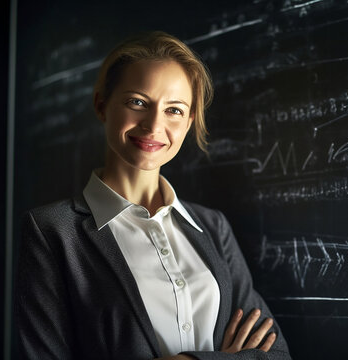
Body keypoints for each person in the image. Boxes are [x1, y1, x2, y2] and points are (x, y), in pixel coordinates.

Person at [15, 31, 291, 360]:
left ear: (189, 122)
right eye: (138, 102)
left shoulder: (213, 226)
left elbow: (275, 354)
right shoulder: (51, 231)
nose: (153, 125)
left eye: (174, 110)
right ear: (101, 105)